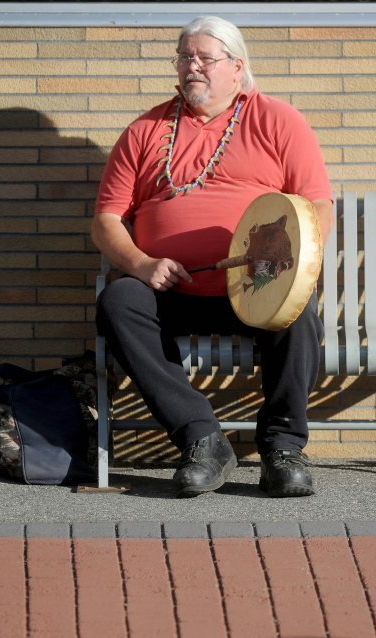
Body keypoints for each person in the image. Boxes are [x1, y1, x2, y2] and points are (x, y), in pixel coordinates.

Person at [92, 16, 334, 498]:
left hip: (256, 286)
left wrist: (282, 263)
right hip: (169, 290)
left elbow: (318, 207)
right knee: (118, 301)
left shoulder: (277, 120)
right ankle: (202, 440)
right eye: (184, 57)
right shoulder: (146, 129)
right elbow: (106, 220)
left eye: (204, 57)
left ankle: (282, 450)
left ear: (237, 66)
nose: (192, 66)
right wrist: (141, 265)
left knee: (300, 312)